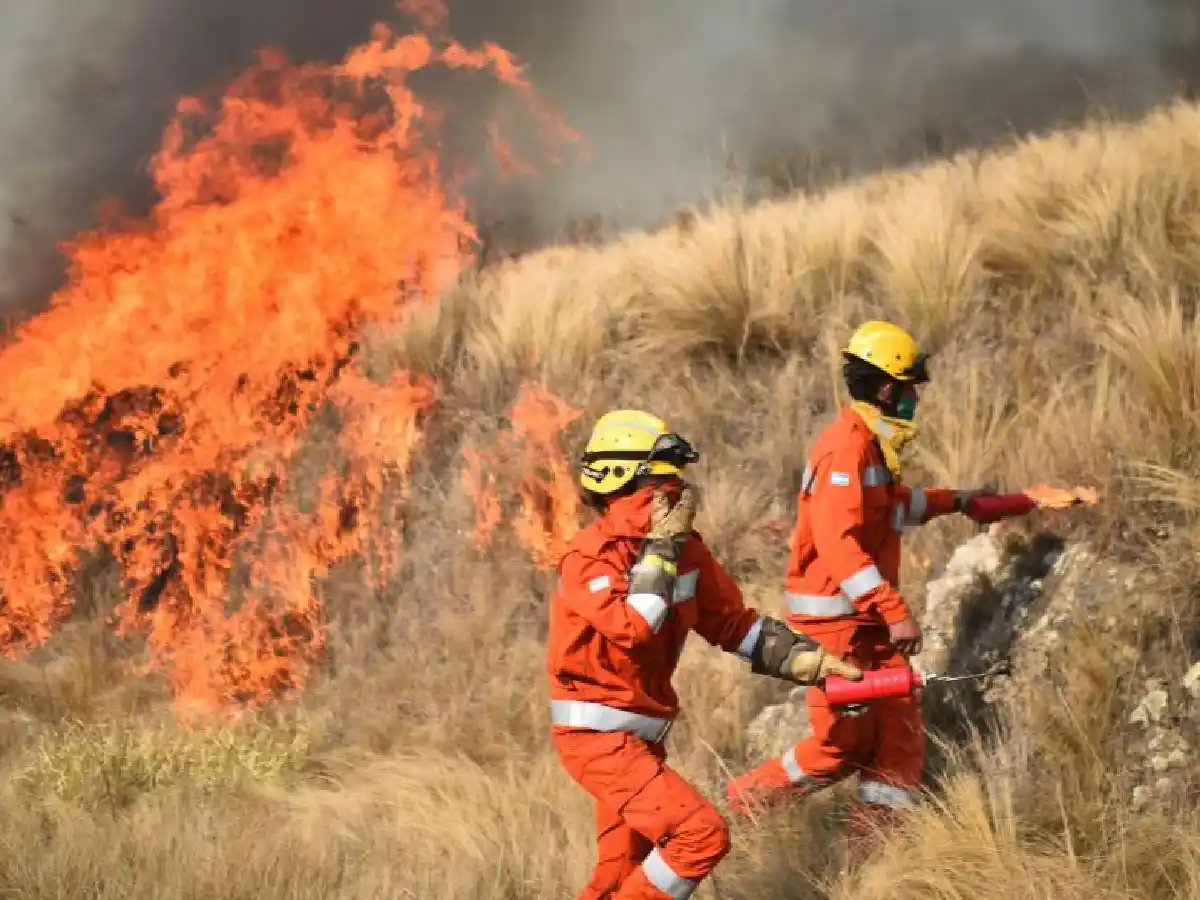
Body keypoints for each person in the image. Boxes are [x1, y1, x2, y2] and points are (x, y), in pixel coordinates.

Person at [547, 409, 864, 900]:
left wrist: (815, 665)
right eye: (659, 481)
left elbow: (734, 625)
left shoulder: (682, 551)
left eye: (676, 481)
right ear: (618, 481)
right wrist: (660, 551)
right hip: (596, 740)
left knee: (619, 875)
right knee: (700, 835)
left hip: (639, 740)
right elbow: (633, 627)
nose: (674, 493)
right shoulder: (591, 557)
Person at [723, 320, 984, 856]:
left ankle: (870, 853)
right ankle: (745, 805)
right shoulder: (845, 448)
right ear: (888, 389)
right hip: (838, 625)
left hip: (867, 621)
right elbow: (839, 544)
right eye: (910, 387)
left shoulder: (872, 445)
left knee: (899, 732)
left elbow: (892, 507)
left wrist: (954, 501)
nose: (915, 397)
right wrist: (893, 610)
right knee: (841, 747)